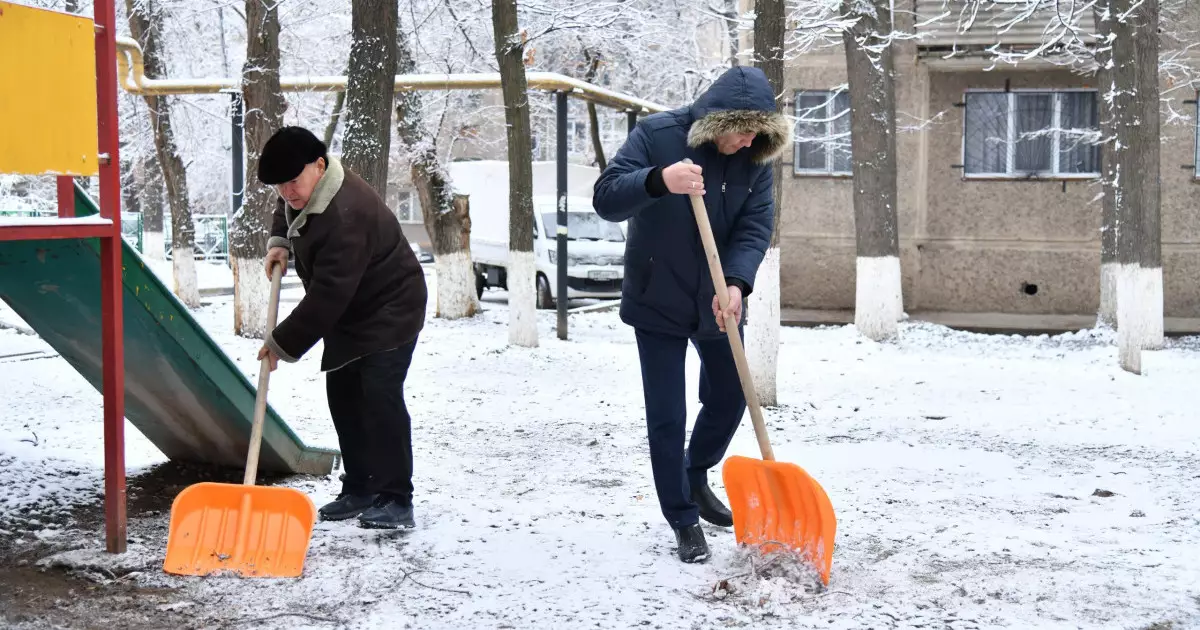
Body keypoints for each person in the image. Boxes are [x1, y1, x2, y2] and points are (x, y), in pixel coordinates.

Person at [592, 66, 787, 563]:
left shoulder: (754, 158)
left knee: (730, 395)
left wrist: (738, 284)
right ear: (718, 120)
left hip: (719, 301)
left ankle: (695, 471)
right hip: (657, 297)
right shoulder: (657, 136)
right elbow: (607, 198)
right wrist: (659, 180)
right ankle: (681, 517)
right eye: (741, 130)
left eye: (757, 134)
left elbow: (755, 225)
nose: (747, 143)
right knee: (667, 415)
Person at [255, 126, 428, 530]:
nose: (286, 192)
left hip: (390, 308)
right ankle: (360, 487)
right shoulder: (307, 187)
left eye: (292, 181)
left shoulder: (348, 212)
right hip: (351, 310)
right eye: (279, 184)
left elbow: (328, 295)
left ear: (318, 165)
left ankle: (396, 497)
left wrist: (281, 344)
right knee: (344, 396)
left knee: (379, 397)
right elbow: (287, 209)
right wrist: (280, 239)